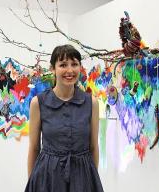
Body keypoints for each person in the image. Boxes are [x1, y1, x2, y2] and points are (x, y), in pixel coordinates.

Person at [25, 44, 104, 192]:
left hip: (83, 177)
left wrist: (91, 180)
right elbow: (34, 148)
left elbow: (93, 147)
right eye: (63, 65)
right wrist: (32, 183)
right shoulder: (38, 102)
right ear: (53, 69)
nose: (70, 70)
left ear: (80, 67)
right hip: (48, 178)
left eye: (74, 64)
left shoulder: (91, 102)